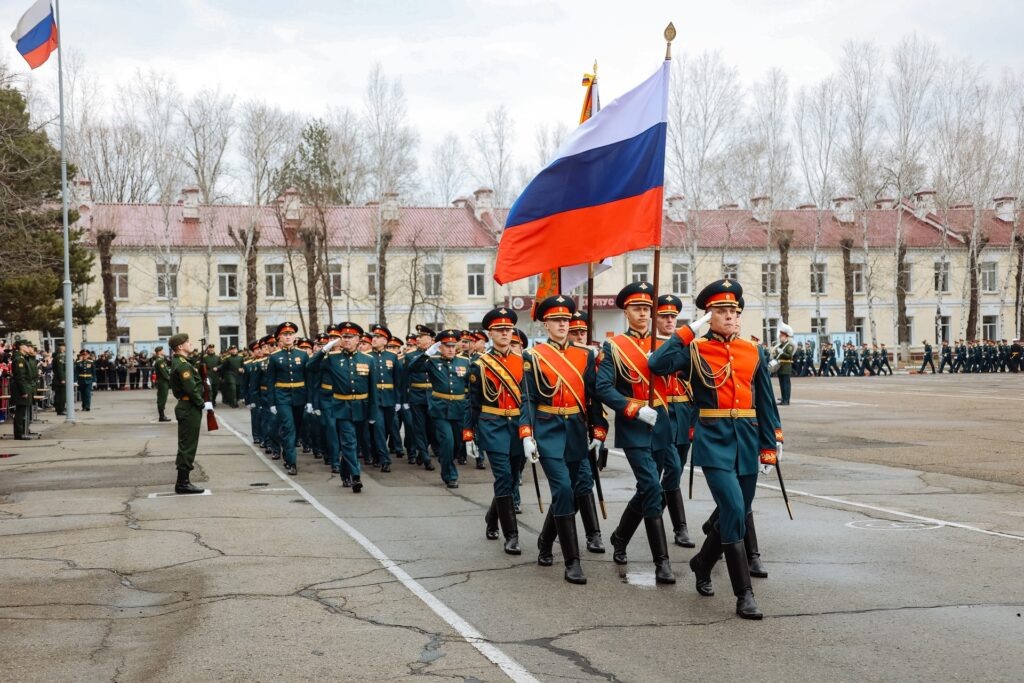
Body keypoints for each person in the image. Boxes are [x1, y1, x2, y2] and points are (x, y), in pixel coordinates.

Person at [649, 279, 782, 620]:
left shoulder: (753, 351)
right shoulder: (693, 350)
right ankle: (744, 595)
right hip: (714, 440)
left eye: (733, 312)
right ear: (708, 316)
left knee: (735, 512)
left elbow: (766, 404)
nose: (729, 317)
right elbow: (656, 365)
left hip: (748, 439)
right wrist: (687, 331)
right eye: (721, 312)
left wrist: (771, 444)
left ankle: (702, 562)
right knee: (735, 507)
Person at [520, 295, 608, 585]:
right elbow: (529, 399)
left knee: (567, 491)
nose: (562, 325)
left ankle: (545, 541)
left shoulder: (586, 355)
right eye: (556, 321)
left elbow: (593, 396)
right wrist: (527, 434)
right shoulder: (534, 356)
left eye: (566, 320)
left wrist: (598, 428)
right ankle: (572, 562)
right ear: (546, 324)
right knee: (563, 490)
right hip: (547, 430)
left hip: (575, 430)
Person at [597, 282, 677, 585]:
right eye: (637, 308)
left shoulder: (664, 343)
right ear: (626, 312)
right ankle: (662, 563)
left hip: (662, 424)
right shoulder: (614, 346)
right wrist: (632, 408)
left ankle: (620, 536)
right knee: (651, 488)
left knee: (657, 486)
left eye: (647, 308)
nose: (643, 313)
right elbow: (603, 387)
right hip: (635, 426)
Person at [469, 307, 526, 555]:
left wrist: (530, 431)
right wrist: (468, 433)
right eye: (499, 329)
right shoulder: (480, 364)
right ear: (490, 333)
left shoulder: (523, 362)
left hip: (517, 426)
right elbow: (472, 402)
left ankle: (492, 519)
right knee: (503, 477)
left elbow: (527, 401)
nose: (505, 333)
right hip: (492, 425)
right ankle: (511, 535)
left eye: (508, 329)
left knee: (513, 478)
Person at [407, 329, 474, 488]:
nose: (450, 349)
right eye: (446, 346)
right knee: (447, 442)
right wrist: (427, 354)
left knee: (457, 444)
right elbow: (412, 368)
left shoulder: (465, 362)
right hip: (440, 409)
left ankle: (448, 461)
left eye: (453, 345)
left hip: (459, 408)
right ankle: (449, 475)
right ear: (440, 347)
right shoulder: (433, 360)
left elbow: (471, 386)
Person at [654, 295, 694, 548]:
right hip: (660, 412)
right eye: (664, 316)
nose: (669, 320)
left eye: (673, 316)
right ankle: (675, 525)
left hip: (682, 412)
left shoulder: (688, 345)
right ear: (655, 318)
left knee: (676, 470)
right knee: (658, 472)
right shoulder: (648, 344)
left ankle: (666, 521)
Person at [167, 333, 212, 494]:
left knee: (187, 444)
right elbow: (191, 388)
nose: (190, 343)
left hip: (187, 405)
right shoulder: (183, 365)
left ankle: (183, 481)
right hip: (189, 406)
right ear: (180, 347)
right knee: (188, 445)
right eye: (187, 342)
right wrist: (202, 403)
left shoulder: (184, 362)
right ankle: (183, 483)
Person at [265, 322, 307, 476]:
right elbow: (270, 381)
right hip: (282, 396)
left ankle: (287, 452)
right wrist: (272, 403)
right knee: (289, 428)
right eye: (285, 334)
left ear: (295, 337)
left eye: (291, 334)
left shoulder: (302, 355)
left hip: (300, 396)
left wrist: (309, 401)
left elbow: (307, 377)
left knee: (295, 428)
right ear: (280, 338)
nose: (288, 337)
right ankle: (292, 462)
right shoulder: (275, 357)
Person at [368, 325, 403, 473]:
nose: (373, 339)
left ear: (385, 340)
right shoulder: (367, 356)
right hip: (374, 399)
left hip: (389, 398)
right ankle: (385, 459)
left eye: (377, 337)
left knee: (388, 428)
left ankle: (377, 453)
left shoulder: (392, 357)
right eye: (373, 337)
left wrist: (398, 401)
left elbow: (398, 381)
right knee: (378, 428)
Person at [9, 340, 36, 440]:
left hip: (24, 387)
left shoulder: (22, 358)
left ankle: (22, 432)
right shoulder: (19, 359)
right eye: (25, 345)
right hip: (21, 388)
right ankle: (19, 434)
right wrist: (23, 391)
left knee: (23, 411)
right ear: (20, 347)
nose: (27, 347)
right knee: (20, 412)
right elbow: (20, 377)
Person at [771, 323, 795, 405]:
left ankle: (786, 400)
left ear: (786, 336)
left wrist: (782, 353)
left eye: (781, 336)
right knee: (781, 384)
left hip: (786, 367)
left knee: (786, 385)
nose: (780, 337)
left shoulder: (789, 345)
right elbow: (777, 355)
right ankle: (783, 398)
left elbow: (789, 356)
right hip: (780, 367)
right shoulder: (781, 345)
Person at [153, 346, 172, 422]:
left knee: (163, 398)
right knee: (162, 399)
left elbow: (166, 369)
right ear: (159, 352)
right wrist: (170, 379)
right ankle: (161, 416)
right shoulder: (159, 361)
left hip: (163, 381)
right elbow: (163, 373)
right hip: (162, 382)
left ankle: (162, 415)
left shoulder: (161, 360)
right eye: (162, 350)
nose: (164, 351)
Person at [52, 343, 67, 415]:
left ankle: (60, 408)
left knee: (59, 394)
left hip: (59, 378)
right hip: (59, 379)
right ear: (61, 348)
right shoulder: (60, 357)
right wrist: (62, 379)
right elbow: (60, 369)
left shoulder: (59, 356)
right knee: (61, 395)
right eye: (64, 347)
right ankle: (60, 409)